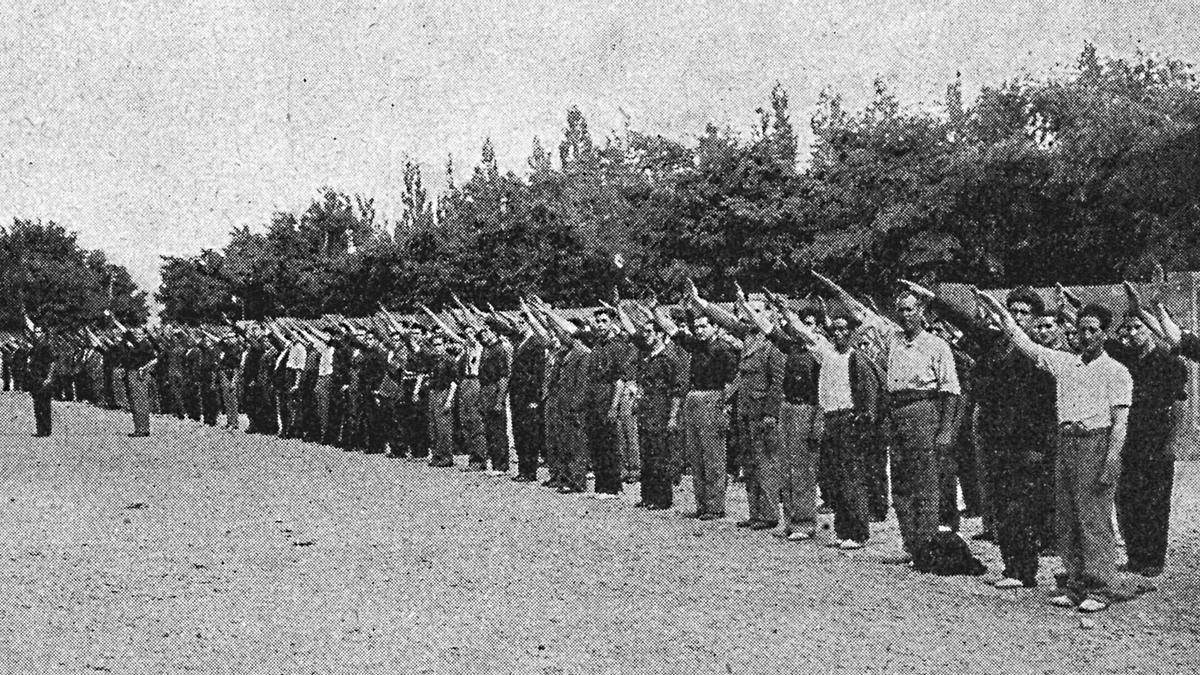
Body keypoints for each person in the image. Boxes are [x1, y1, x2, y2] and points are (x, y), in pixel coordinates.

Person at [978, 292, 1132, 613]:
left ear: (1104, 333)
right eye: (1082, 330)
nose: (1086, 336)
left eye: (1093, 330)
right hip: (1066, 442)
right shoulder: (1064, 363)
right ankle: (1075, 584)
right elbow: (1024, 342)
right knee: (1067, 517)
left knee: (1093, 518)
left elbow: (1120, 423)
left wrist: (1112, 460)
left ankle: (1099, 587)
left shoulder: (1116, 371)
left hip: (1096, 441)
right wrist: (997, 311)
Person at [815, 273, 960, 565]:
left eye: (910, 309)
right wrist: (831, 286)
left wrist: (945, 430)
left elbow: (951, 391)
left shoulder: (937, 345)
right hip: (897, 412)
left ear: (921, 312)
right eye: (901, 310)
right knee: (902, 483)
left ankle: (928, 546)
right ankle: (911, 545)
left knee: (925, 483)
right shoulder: (892, 339)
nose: (905, 315)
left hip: (924, 409)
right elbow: (860, 312)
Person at [770, 302, 884, 550]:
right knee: (834, 479)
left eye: (844, 330)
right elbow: (802, 331)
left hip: (849, 420)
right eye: (835, 330)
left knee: (851, 478)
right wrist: (786, 312)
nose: (839, 334)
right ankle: (843, 531)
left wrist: (863, 421)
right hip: (829, 419)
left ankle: (858, 532)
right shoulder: (826, 353)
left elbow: (870, 394)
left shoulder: (858, 359)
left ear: (852, 332)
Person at [657, 309, 738, 520]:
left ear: (715, 327)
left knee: (713, 456)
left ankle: (715, 505)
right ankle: (702, 504)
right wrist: (656, 310)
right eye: (698, 327)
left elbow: (731, 383)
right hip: (694, 397)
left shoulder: (724, 349)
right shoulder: (697, 346)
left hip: (714, 397)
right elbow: (673, 330)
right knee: (696, 455)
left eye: (704, 326)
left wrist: (725, 409)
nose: (700, 330)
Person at [478, 323, 513, 475]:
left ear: (494, 333)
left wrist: (499, 400)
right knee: (489, 429)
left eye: (487, 331)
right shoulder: (487, 348)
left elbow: (503, 377)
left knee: (498, 429)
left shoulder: (499, 350)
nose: (484, 334)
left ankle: (501, 465)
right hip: (485, 388)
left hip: (494, 389)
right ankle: (495, 463)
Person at [26, 324, 56, 437]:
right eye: (35, 332)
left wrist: (48, 378)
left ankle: (46, 430)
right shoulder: (35, 347)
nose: (36, 334)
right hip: (35, 380)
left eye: (38, 332)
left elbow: (52, 362)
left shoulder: (46, 346)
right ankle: (40, 429)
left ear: (44, 333)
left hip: (43, 379)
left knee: (45, 406)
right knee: (37, 406)